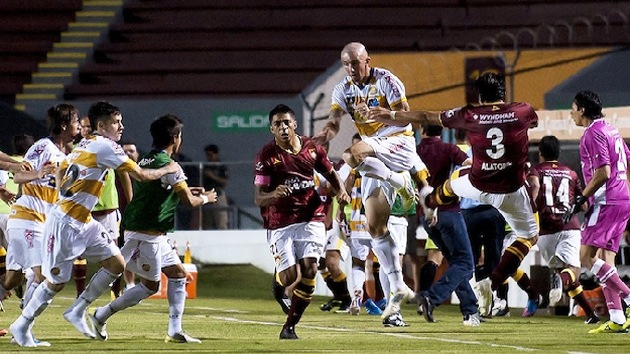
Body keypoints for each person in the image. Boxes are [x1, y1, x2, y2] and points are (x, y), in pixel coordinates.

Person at [9, 101, 180, 347]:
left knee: (117, 263)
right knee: (55, 283)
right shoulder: (103, 146)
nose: (121, 126)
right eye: (116, 122)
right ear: (102, 125)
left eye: (121, 121)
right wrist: (167, 168)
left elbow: (63, 172)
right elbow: (140, 175)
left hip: (84, 220)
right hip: (65, 223)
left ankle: (78, 309)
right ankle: (22, 325)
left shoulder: (86, 144)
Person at [370, 72, 540, 314]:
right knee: (528, 237)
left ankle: (430, 200)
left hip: (478, 185)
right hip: (511, 191)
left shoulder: (471, 114)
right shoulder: (523, 110)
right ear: (503, 93)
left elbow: (427, 116)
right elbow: (532, 122)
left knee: (454, 182)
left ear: (479, 97)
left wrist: (393, 116)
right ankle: (492, 283)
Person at [314, 42, 426, 320]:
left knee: (351, 154)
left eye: (356, 62)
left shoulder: (387, 80)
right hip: (374, 156)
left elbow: (407, 115)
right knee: (376, 228)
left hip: (398, 143)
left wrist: (388, 115)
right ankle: (398, 287)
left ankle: (402, 183)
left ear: (368, 60)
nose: (351, 68)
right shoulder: (344, 89)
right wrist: (326, 132)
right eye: (346, 64)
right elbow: (335, 119)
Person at [87, 114, 216, 343]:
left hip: (149, 232)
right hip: (145, 235)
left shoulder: (147, 159)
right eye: (180, 136)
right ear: (175, 138)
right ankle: (101, 314)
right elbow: (188, 202)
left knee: (178, 275)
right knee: (149, 286)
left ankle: (174, 330)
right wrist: (205, 198)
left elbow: (159, 189)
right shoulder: (170, 165)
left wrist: (186, 188)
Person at [254, 104, 349, 339]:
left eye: (287, 122)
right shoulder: (266, 156)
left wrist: (342, 191)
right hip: (280, 221)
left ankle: (289, 327)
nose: (283, 127)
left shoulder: (312, 149)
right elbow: (258, 198)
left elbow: (330, 173)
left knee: (310, 269)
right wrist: (274, 194)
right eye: (278, 124)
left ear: (295, 124)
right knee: (288, 277)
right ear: (271, 129)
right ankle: (279, 285)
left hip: (311, 216)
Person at [0, 105, 80, 346]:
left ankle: (20, 329)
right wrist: (39, 172)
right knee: (44, 276)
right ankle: (23, 331)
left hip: (39, 221)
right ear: (64, 124)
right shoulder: (43, 146)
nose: (79, 125)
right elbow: (19, 177)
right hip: (28, 217)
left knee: (12, 279)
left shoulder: (68, 156)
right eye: (76, 120)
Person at [566, 91, 630, 333]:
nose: (571, 113)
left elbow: (603, 172)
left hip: (606, 202)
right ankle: (617, 318)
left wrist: (583, 196)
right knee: (605, 261)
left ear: (582, 110)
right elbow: (627, 161)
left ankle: (628, 297)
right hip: (622, 200)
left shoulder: (592, 133)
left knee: (585, 256)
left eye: (573, 108)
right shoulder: (612, 130)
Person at [526, 135, 599, 323]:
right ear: (558, 153)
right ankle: (559, 280)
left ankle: (590, 314)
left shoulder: (535, 171)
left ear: (540, 153)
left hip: (545, 229)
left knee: (565, 274)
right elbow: (583, 206)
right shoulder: (571, 173)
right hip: (569, 227)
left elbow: (532, 193)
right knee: (573, 269)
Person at [414, 124, 481, 326]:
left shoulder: (415, 151)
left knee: (456, 263)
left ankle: (470, 310)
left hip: (426, 216)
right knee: (466, 263)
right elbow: (470, 165)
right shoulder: (449, 149)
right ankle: (431, 297)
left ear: (422, 130)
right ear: (441, 132)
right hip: (448, 212)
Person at [202, 144, 229, 229]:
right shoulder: (205, 166)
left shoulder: (221, 167)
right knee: (207, 221)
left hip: (219, 194)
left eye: (210, 155)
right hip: (207, 194)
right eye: (207, 155)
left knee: (221, 219)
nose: (209, 157)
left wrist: (213, 176)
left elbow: (225, 182)